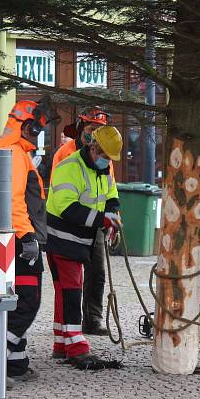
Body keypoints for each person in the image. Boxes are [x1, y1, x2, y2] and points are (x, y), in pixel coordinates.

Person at [0, 100, 48, 382]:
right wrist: (28, 237)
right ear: (27, 126)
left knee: (11, 300)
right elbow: (14, 201)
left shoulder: (3, 149)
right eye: (37, 130)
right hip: (20, 241)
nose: (38, 136)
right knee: (27, 302)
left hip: (7, 240)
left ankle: (15, 363)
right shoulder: (15, 154)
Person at [46, 125, 122, 368]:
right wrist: (103, 220)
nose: (107, 162)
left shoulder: (103, 168)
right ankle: (76, 346)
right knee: (71, 291)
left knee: (64, 290)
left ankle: (61, 344)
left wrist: (112, 214)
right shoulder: (69, 168)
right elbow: (68, 209)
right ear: (93, 147)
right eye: (105, 156)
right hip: (63, 238)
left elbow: (110, 194)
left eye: (110, 159)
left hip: (80, 239)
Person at [51, 106, 111, 335]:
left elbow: (109, 187)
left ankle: (92, 319)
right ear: (81, 128)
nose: (94, 133)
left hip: (95, 223)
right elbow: (62, 197)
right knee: (71, 282)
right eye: (91, 128)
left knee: (97, 273)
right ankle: (69, 329)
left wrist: (112, 214)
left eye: (99, 129)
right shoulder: (65, 155)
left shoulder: (105, 153)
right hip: (70, 226)